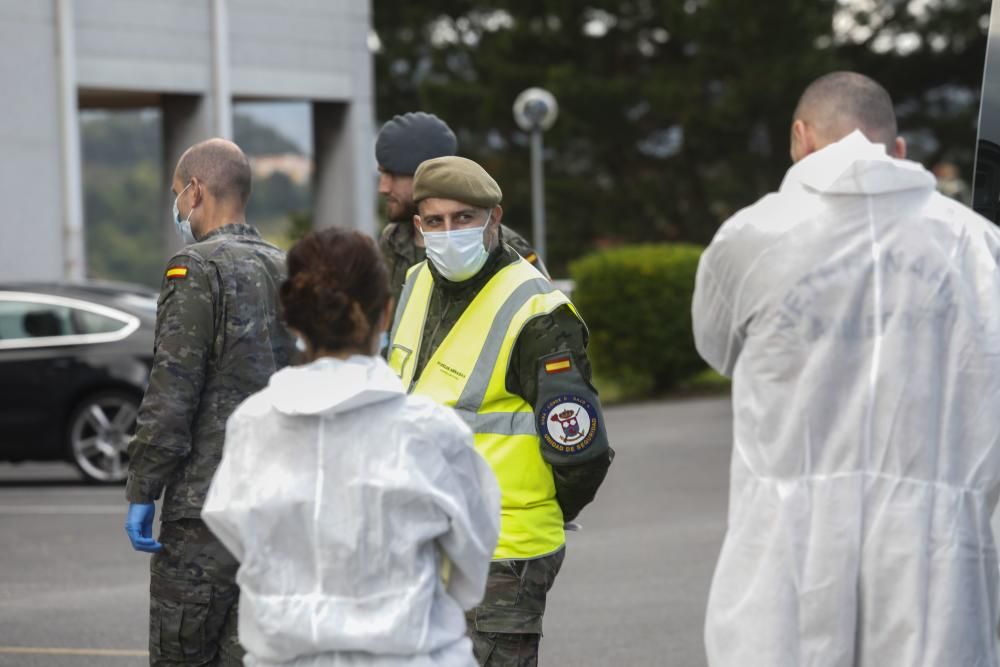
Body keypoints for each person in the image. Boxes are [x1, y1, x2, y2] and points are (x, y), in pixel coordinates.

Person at [692, 71, 1000, 666]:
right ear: (900, 151)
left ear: (801, 137)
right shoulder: (979, 246)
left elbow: (716, 347)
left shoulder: (752, 236)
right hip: (938, 555)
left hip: (787, 554)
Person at [201, 227, 501, 667]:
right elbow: (472, 565)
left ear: (292, 319)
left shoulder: (252, 424)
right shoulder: (431, 433)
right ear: (386, 314)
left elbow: (235, 535)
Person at [387, 155, 614, 666]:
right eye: (436, 221)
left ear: (494, 218)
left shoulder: (537, 314)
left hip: (503, 550)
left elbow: (581, 453)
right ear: (419, 228)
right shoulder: (416, 284)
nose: (450, 232)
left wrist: (538, 513)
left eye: (464, 218)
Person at [124, 138, 294, 665]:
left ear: (195, 191)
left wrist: (143, 486)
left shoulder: (195, 268)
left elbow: (172, 389)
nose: (178, 207)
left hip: (205, 510)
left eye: (178, 194)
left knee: (185, 653)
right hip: (277, 504)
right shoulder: (290, 269)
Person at [376, 112, 548, 311]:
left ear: (425, 175)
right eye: (381, 174)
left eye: (392, 175)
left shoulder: (501, 245)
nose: (383, 188)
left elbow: (542, 315)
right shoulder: (393, 239)